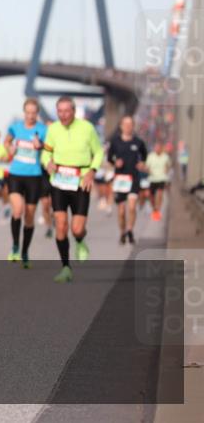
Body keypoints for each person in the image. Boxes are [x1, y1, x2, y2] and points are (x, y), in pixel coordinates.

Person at [41, 96, 103, 284]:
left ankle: (80, 240)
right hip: (59, 181)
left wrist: (92, 172)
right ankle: (66, 268)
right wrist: (47, 163)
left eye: (67, 111)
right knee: (60, 224)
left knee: (76, 229)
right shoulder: (52, 129)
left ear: (74, 111)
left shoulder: (87, 128)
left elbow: (98, 152)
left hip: (81, 182)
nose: (63, 115)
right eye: (60, 111)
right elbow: (46, 152)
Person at [4, 97, 48, 267]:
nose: (30, 116)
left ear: (37, 114)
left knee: (29, 217)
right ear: (24, 112)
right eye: (28, 112)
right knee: (18, 210)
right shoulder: (16, 127)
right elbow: (7, 141)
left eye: (33, 113)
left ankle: (24, 252)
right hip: (15, 174)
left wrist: (40, 145)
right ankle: (15, 246)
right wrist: (10, 148)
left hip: (34, 176)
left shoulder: (42, 130)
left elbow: (49, 146)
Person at [107, 116, 148, 246]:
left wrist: (141, 163)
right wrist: (115, 162)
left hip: (134, 178)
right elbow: (109, 158)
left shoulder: (138, 142)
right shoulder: (115, 142)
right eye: (125, 124)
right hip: (120, 179)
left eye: (130, 124)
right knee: (121, 211)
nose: (128, 126)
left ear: (133, 126)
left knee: (131, 207)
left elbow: (144, 156)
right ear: (121, 126)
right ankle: (122, 232)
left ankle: (130, 230)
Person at [145, 142, 172, 222]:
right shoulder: (150, 156)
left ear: (161, 149)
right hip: (152, 178)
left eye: (158, 148)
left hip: (162, 178)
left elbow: (168, 165)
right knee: (151, 196)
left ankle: (158, 209)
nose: (157, 149)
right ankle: (154, 207)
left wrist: (166, 170)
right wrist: (148, 171)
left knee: (160, 193)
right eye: (156, 148)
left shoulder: (165, 157)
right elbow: (147, 166)